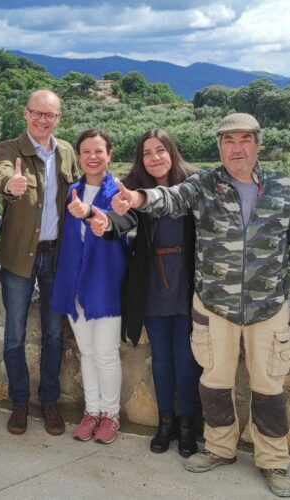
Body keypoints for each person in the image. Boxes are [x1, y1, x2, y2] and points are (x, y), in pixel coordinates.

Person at [111, 113, 290, 497]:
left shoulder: (282, 186)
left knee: (269, 387)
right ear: (219, 147)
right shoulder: (204, 184)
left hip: (268, 305)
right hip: (214, 304)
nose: (236, 148)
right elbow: (168, 198)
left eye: (243, 140)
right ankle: (221, 448)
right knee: (215, 383)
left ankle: (273, 461)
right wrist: (138, 198)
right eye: (227, 141)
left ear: (258, 144)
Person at [102, 129, 201, 457]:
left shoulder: (192, 184)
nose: (154, 157)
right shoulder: (134, 189)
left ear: (172, 152)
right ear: (140, 159)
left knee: (186, 360)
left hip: (187, 283)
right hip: (154, 285)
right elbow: (123, 218)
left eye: (160, 150)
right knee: (161, 359)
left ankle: (188, 426)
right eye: (147, 153)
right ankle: (165, 423)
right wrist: (105, 223)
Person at [0, 89, 80, 436]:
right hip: (18, 256)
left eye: (50, 115)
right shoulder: (10, 149)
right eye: (37, 113)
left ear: (58, 118)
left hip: (56, 256)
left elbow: (80, 189)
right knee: (14, 333)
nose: (43, 120)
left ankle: (50, 402)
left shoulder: (66, 151)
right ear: (25, 114)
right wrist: (11, 185)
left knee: (54, 334)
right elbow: (0, 177)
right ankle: (20, 402)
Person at [52, 129, 128, 444]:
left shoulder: (120, 193)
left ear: (109, 154)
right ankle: (91, 411)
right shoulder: (72, 191)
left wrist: (87, 217)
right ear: (79, 157)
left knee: (106, 353)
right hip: (74, 282)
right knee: (86, 351)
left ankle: (111, 416)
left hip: (105, 283)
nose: (92, 157)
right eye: (86, 151)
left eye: (99, 151)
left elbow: (114, 229)